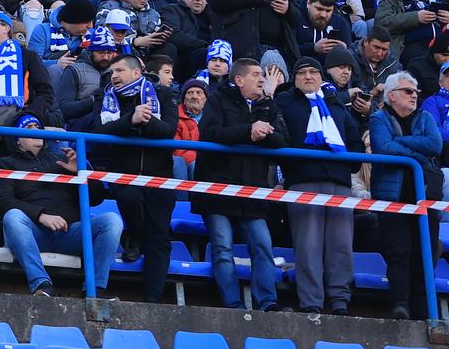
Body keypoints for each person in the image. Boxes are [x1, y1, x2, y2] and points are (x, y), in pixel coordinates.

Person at [0, 114, 123, 297]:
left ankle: (95, 290)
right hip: (32, 234)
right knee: (12, 217)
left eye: (38, 127)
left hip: (71, 233)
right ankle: (42, 285)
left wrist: (81, 173)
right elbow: (1, 203)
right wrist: (41, 216)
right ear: (17, 140)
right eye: (28, 129)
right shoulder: (4, 164)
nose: (35, 131)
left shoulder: (63, 160)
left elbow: (96, 198)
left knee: (112, 221)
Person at [194, 58, 288, 311]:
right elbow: (210, 134)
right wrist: (249, 131)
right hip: (218, 190)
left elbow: (282, 141)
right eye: (256, 74)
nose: (262, 79)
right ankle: (233, 304)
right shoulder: (217, 99)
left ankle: (267, 302)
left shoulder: (267, 105)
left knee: (263, 245)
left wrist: (262, 133)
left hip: (252, 191)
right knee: (222, 247)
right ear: (239, 80)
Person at [275, 55, 363, 315]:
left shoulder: (336, 107)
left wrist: (345, 163)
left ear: (322, 77)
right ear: (294, 79)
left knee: (341, 247)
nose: (308, 76)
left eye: (314, 72)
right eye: (302, 73)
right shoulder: (286, 104)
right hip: (303, 182)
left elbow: (355, 145)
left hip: (339, 184)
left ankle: (339, 301)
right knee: (308, 246)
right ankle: (311, 302)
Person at [96, 53, 178, 301]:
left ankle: (153, 299)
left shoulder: (162, 95)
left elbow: (169, 130)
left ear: (136, 73)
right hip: (124, 172)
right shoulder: (106, 97)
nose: (114, 76)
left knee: (160, 238)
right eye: (112, 72)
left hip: (159, 176)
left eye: (119, 71)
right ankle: (135, 233)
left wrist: (147, 121)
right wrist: (130, 121)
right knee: (130, 198)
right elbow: (101, 130)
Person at [370, 70, 445, 319]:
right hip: (393, 196)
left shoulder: (425, 117)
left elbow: (436, 145)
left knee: (425, 253)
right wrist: (418, 153)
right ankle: (400, 303)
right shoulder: (379, 118)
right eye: (408, 91)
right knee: (398, 251)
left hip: (425, 198)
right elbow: (383, 147)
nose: (414, 96)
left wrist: (403, 145)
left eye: (416, 92)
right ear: (392, 95)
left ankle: (425, 310)